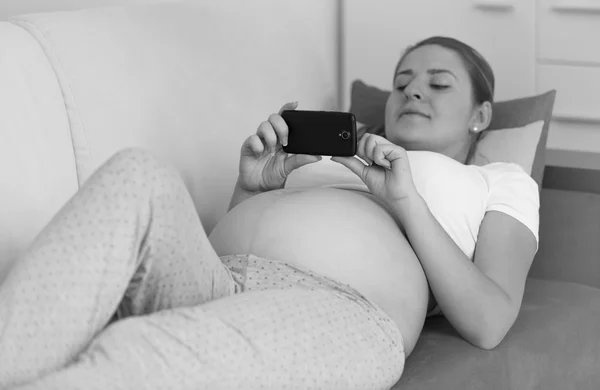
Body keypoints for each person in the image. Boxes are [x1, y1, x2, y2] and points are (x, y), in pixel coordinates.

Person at [0, 36, 539, 390]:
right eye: (402, 83)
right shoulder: (344, 154)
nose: (413, 90)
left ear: (481, 115)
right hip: (223, 278)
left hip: (343, 311)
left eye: (438, 83)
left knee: (139, 355)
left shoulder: (497, 181)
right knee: (137, 174)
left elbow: (490, 322)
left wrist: (405, 201)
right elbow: (229, 243)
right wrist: (252, 187)